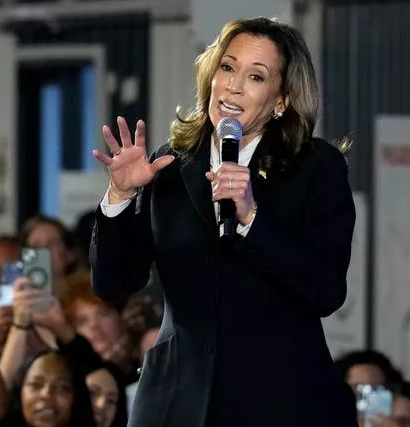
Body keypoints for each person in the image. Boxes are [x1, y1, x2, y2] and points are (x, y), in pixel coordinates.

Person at [90, 17, 357, 427]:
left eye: (256, 76)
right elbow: (112, 283)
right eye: (227, 67)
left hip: (281, 403)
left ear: (281, 99)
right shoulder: (169, 162)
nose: (233, 85)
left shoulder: (317, 168)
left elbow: (326, 291)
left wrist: (252, 217)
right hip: (177, 401)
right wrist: (121, 197)